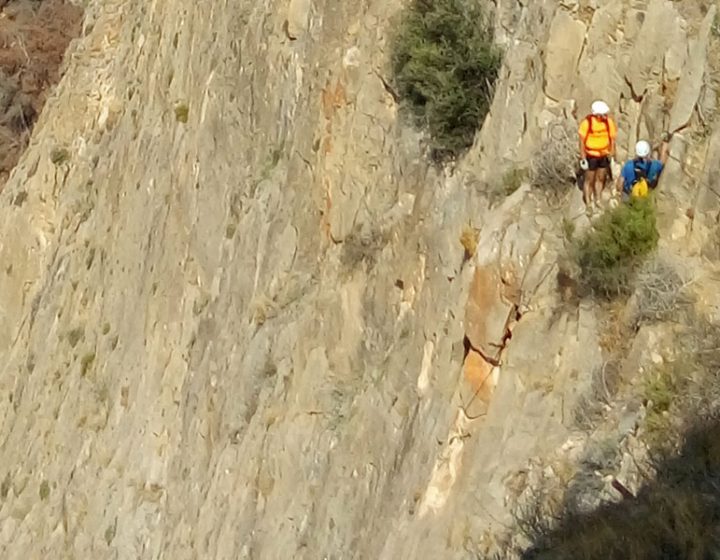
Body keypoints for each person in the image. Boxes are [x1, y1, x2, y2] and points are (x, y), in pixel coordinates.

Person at [578, 100, 618, 216]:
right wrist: (583, 158)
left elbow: (612, 139)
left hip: (603, 155)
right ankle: (589, 203)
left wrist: (612, 152)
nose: (605, 116)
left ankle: (598, 199)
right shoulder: (587, 123)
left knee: (600, 178)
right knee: (589, 180)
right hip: (591, 156)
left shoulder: (608, 122)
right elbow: (581, 141)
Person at [614, 135, 670, 201]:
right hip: (644, 198)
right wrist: (664, 146)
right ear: (648, 152)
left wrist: (619, 194)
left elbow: (620, 184)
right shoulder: (654, 165)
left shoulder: (629, 165)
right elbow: (662, 161)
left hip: (629, 197)